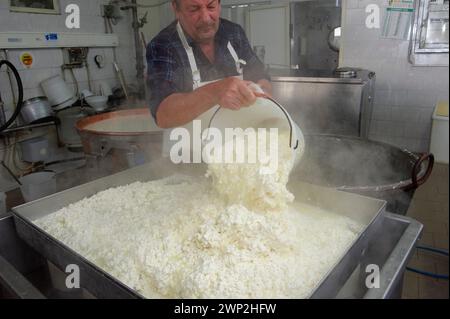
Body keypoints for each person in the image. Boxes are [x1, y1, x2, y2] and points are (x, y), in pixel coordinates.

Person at [146, 0, 272, 129]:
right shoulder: (163, 45)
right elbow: (163, 115)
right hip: (188, 145)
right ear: (176, 9)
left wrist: (261, 91)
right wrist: (215, 92)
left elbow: (260, 75)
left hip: (237, 141)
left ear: (219, 5)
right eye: (194, 9)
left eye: (211, 7)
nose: (206, 18)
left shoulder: (234, 33)